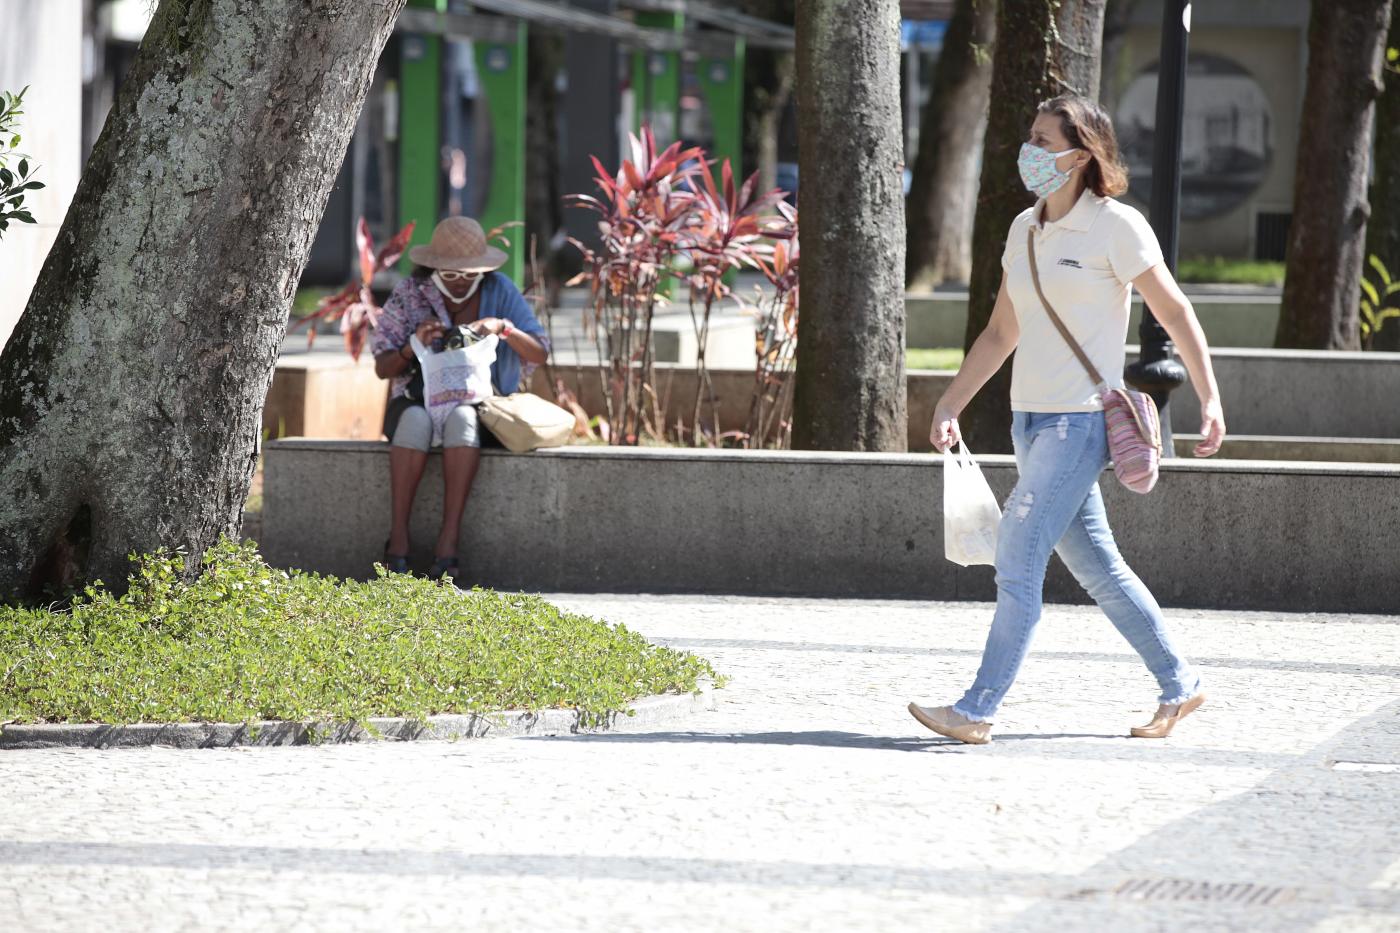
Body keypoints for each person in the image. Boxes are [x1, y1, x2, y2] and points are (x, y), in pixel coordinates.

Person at [908, 95, 1226, 745]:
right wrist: (950, 402)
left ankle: (976, 708)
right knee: (1101, 571)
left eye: (1043, 139)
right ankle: (1180, 681)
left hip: (1078, 426)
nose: (1030, 150)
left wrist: (1210, 397)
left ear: (1080, 155)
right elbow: (1001, 331)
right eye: (1029, 134)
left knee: (1018, 557)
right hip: (1030, 426)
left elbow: (1176, 312)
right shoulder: (1025, 229)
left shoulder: (1117, 226)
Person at [371, 217, 549, 581]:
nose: (462, 280)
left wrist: (501, 327)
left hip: (478, 404)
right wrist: (413, 345)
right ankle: (398, 540)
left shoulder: (499, 290)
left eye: (471, 272)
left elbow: (539, 352)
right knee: (415, 422)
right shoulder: (410, 293)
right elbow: (382, 366)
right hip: (415, 398)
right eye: (452, 273)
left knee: (463, 421)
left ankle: (448, 541)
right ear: (433, 266)